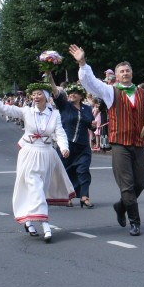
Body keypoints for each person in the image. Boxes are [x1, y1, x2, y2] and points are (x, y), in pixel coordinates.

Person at [70, 44, 144, 237]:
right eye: (122, 71)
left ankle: (121, 206)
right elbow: (90, 83)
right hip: (120, 142)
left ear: (132, 73)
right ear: (117, 75)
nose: (125, 73)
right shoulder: (110, 91)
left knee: (141, 183)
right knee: (127, 185)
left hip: (139, 143)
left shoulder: (143, 93)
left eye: (128, 70)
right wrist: (82, 62)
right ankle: (135, 222)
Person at [0, 81, 74, 242]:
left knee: (40, 191)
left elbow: (60, 133)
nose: (36, 97)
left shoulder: (55, 114)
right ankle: (45, 225)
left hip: (47, 155)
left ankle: (29, 221)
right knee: (34, 188)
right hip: (29, 153)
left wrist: (64, 147)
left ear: (46, 97)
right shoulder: (26, 112)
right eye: (34, 94)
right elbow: (4, 108)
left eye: (39, 94)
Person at [47, 75, 95, 208]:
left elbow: (90, 125)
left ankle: (84, 196)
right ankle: (66, 196)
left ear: (81, 96)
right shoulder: (64, 106)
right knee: (66, 171)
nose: (73, 95)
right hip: (66, 145)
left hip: (83, 146)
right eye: (71, 93)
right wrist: (50, 75)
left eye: (76, 93)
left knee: (83, 170)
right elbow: (55, 91)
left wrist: (93, 125)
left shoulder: (87, 109)